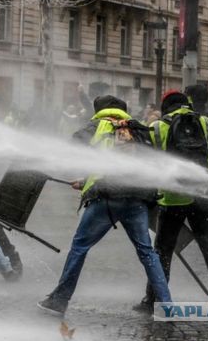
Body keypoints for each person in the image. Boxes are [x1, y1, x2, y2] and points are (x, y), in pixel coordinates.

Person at [37, 95, 172, 316]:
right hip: (137, 198)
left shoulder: (98, 125)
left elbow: (74, 149)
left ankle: (59, 300)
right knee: (147, 252)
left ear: (100, 110)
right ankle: (166, 305)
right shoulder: (136, 128)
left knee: (79, 248)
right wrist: (86, 181)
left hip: (107, 198)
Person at [138, 91, 208, 311]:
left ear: (166, 107)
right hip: (204, 195)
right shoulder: (207, 124)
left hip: (173, 198)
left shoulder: (158, 127)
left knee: (163, 250)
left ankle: (152, 300)